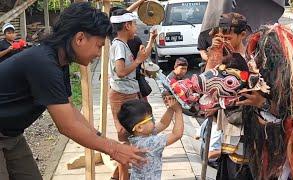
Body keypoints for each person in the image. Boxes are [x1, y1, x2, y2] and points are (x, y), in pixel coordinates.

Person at [0, 3, 146, 180]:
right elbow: (67, 125)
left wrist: (100, 137)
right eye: (99, 46)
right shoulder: (43, 64)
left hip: (11, 134)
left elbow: (71, 110)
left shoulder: (58, 62)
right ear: (80, 39)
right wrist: (113, 149)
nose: (99, 54)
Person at [205, 13, 253, 180]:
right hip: (225, 125)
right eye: (221, 36)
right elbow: (207, 84)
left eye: (228, 37)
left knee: (241, 169)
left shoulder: (252, 57)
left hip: (245, 124)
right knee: (227, 168)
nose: (224, 40)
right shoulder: (222, 55)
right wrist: (214, 53)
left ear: (242, 35)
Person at [109, 8, 149, 180]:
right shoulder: (118, 45)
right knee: (125, 137)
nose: (136, 28)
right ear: (126, 25)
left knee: (134, 135)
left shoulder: (123, 44)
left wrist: (151, 41)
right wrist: (139, 60)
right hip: (121, 95)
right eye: (134, 25)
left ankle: (117, 175)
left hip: (130, 93)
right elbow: (120, 72)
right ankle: (122, 177)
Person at [118, 97, 184, 180]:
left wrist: (171, 108)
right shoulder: (149, 143)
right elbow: (176, 134)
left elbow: (163, 123)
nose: (154, 120)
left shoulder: (138, 136)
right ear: (139, 127)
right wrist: (178, 111)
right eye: (150, 119)